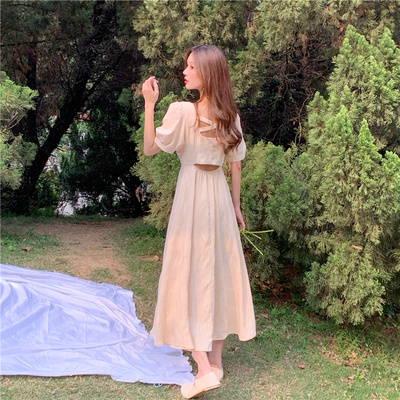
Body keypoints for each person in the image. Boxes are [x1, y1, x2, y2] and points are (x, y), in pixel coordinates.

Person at [141, 44, 256, 399]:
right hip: (218, 197)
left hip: (193, 197)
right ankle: (215, 362)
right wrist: (235, 206)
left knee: (186, 274)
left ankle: (205, 369)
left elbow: (150, 148)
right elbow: (236, 164)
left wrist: (149, 105)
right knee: (217, 273)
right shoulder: (229, 116)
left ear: (207, 72)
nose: (185, 71)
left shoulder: (183, 112)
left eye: (191, 66)